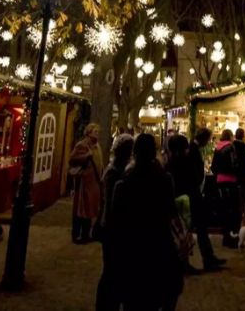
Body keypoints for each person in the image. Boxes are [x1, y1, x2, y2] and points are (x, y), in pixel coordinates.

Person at [108, 134, 183, 311]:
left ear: (135, 153)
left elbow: (115, 221)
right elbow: (171, 213)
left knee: (133, 301)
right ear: (153, 153)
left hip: (131, 249)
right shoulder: (165, 180)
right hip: (159, 246)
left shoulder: (123, 184)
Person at [169, 127, 225, 271]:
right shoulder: (188, 155)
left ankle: (204, 258)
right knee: (195, 229)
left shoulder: (178, 158)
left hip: (189, 196)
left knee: (195, 229)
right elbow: (191, 176)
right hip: (190, 196)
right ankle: (203, 259)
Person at [96, 134, 135, 311]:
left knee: (113, 269)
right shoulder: (115, 172)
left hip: (111, 225)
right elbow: (111, 203)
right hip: (113, 226)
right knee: (111, 269)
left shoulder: (117, 170)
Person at [68, 123, 104, 243]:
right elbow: (72, 159)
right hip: (84, 182)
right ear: (88, 132)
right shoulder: (82, 145)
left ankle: (86, 233)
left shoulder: (97, 145)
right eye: (95, 132)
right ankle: (78, 234)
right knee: (82, 209)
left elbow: (100, 162)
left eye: (98, 132)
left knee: (90, 209)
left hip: (94, 181)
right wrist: (86, 156)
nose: (97, 134)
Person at [212, 129, 241, 248]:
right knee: (232, 209)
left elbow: (213, 166)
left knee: (224, 209)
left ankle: (225, 235)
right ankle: (230, 236)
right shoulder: (231, 148)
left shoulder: (217, 148)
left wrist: (218, 175)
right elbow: (234, 164)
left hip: (220, 180)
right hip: (230, 180)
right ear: (230, 136)